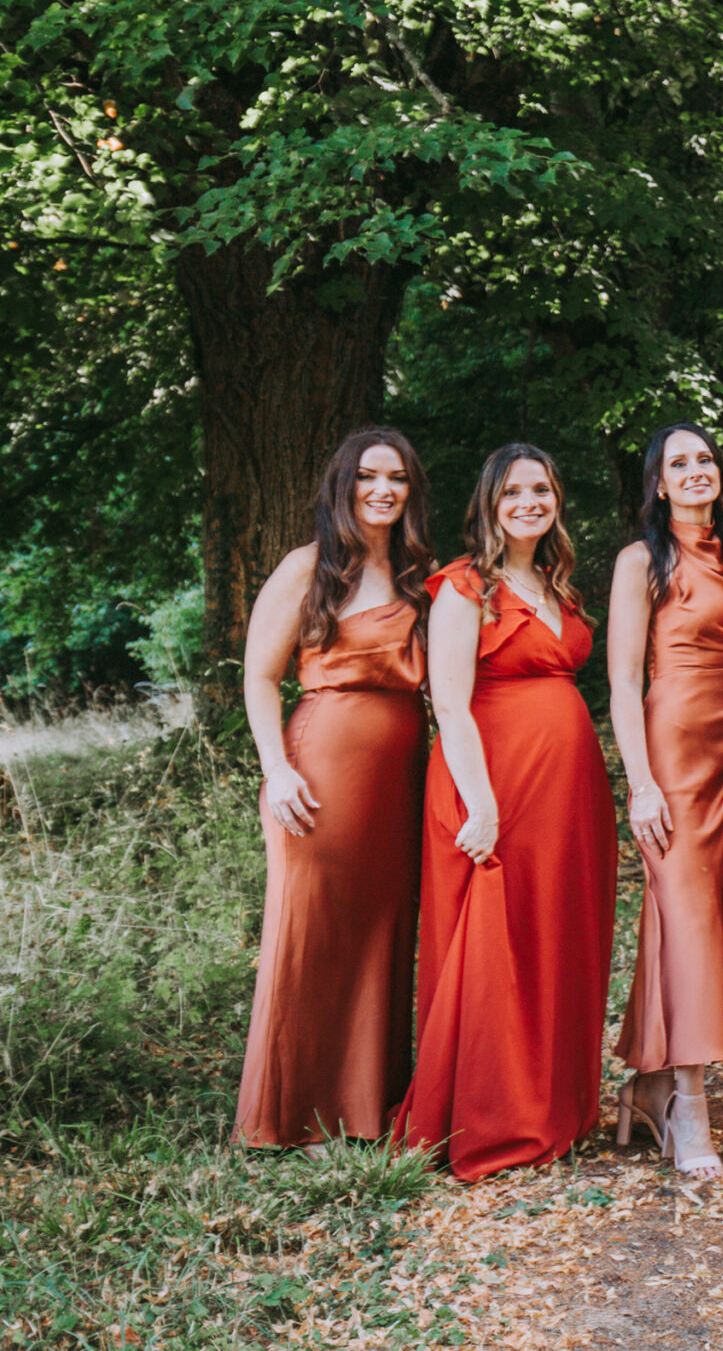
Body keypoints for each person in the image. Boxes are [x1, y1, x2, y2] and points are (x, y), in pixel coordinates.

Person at [396, 444, 617, 1182]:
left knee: (554, 932)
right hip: (495, 784)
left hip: (567, 794)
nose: (529, 502)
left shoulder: (558, 584)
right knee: (497, 940)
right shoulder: (466, 586)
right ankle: (492, 1116)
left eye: (542, 489)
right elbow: (449, 702)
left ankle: (555, 1104)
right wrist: (483, 801)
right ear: (489, 503)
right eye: (514, 491)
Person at [235, 428, 435, 1152]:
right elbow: (260, 676)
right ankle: (296, 1112)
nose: (383, 490)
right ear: (342, 485)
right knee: (313, 933)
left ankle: (365, 1105)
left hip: (400, 779)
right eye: (368, 477)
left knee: (381, 934)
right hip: (318, 769)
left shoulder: (419, 573)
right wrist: (276, 768)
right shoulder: (309, 566)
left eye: (397, 478)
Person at [606, 422, 723, 1182]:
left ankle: (647, 1084)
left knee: (709, 912)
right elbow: (622, 680)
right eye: (679, 463)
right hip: (674, 746)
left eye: (705, 458)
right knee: (686, 911)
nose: (696, 470)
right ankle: (687, 1103)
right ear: (659, 484)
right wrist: (640, 783)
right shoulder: (642, 560)